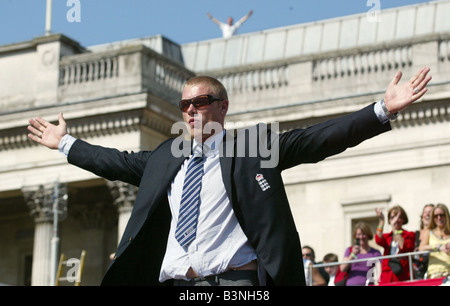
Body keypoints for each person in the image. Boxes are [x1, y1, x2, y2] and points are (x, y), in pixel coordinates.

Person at [27, 67, 431, 286]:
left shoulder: (253, 148)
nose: (189, 110)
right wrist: (66, 144)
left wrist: (381, 110)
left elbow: (315, 140)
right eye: (184, 104)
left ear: (221, 108)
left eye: (199, 102)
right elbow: (114, 161)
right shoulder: (167, 157)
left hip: (234, 284)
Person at [375, 206, 416, 283]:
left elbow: (404, 247)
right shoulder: (388, 236)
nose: (396, 220)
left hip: (403, 276)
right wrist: (381, 221)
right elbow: (378, 240)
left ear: (403, 219)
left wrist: (395, 229)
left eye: (399, 217)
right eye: (392, 217)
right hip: (387, 277)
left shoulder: (409, 235)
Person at [419, 203, 450, 279]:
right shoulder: (429, 232)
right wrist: (438, 247)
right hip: (434, 274)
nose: (439, 218)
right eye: (436, 216)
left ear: (446, 215)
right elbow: (421, 248)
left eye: (441, 215)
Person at [413, 203, 434, 279]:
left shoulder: (438, 234)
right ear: (422, 216)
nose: (427, 214)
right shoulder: (414, 235)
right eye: (425, 212)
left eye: (430, 212)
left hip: (433, 271)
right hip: (418, 274)